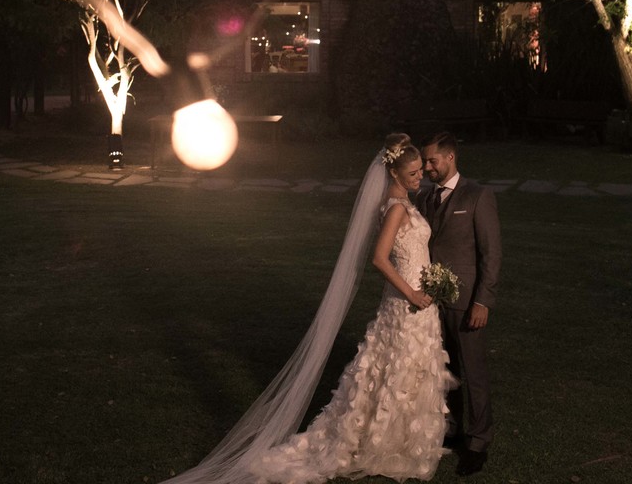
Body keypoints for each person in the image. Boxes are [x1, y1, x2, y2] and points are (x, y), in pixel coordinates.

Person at [161, 134, 455, 484]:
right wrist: (411, 293)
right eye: (412, 172)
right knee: (398, 369)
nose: (419, 176)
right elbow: (379, 258)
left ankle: (396, 441)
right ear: (393, 174)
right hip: (407, 302)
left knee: (399, 370)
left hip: (416, 301)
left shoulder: (404, 203)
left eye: (421, 170)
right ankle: (384, 444)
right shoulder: (395, 208)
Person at [419, 132, 502, 477]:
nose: (426, 167)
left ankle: (478, 441)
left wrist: (483, 300)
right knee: (445, 369)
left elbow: (491, 253)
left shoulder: (478, 196)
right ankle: (452, 430)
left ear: (450, 158)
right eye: (425, 162)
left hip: (467, 301)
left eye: (431, 161)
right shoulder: (425, 198)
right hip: (431, 303)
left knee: (473, 372)